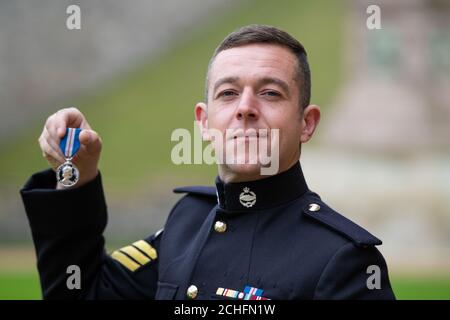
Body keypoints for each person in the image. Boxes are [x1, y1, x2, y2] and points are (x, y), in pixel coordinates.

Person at [20, 24, 395, 300]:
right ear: (203, 121)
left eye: (270, 92)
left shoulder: (345, 260)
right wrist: (76, 178)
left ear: (306, 123)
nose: (246, 108)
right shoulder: (188, 220)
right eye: (229, 93)